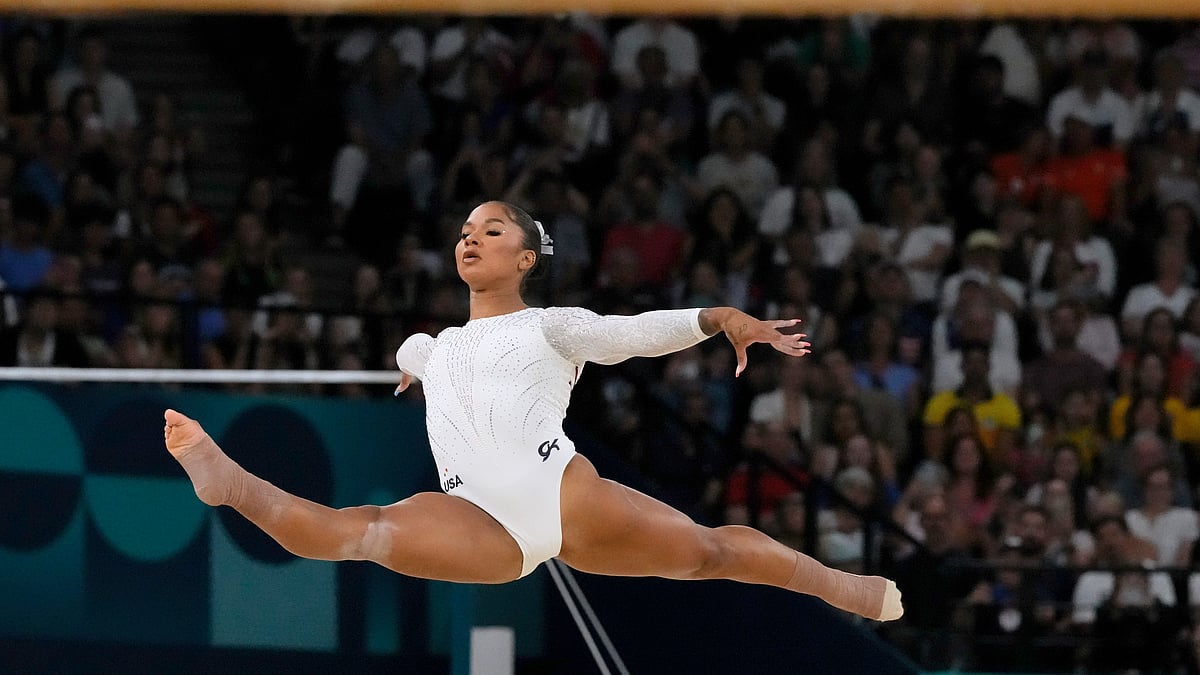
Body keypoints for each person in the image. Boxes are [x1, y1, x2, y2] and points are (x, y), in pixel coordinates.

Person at [163, 200, 903, 623]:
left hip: (563, 494)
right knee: (360, 532)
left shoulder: (551, 325)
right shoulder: (436, 344)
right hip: (480, 522)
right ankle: (226, 480)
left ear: (526, 258)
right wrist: (410, 361)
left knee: (710, 553)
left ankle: (845, 588)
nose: (470, 238)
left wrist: (717, 317)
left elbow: (629, 336)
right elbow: (415, 349)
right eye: (464, 232)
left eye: (491, 230)